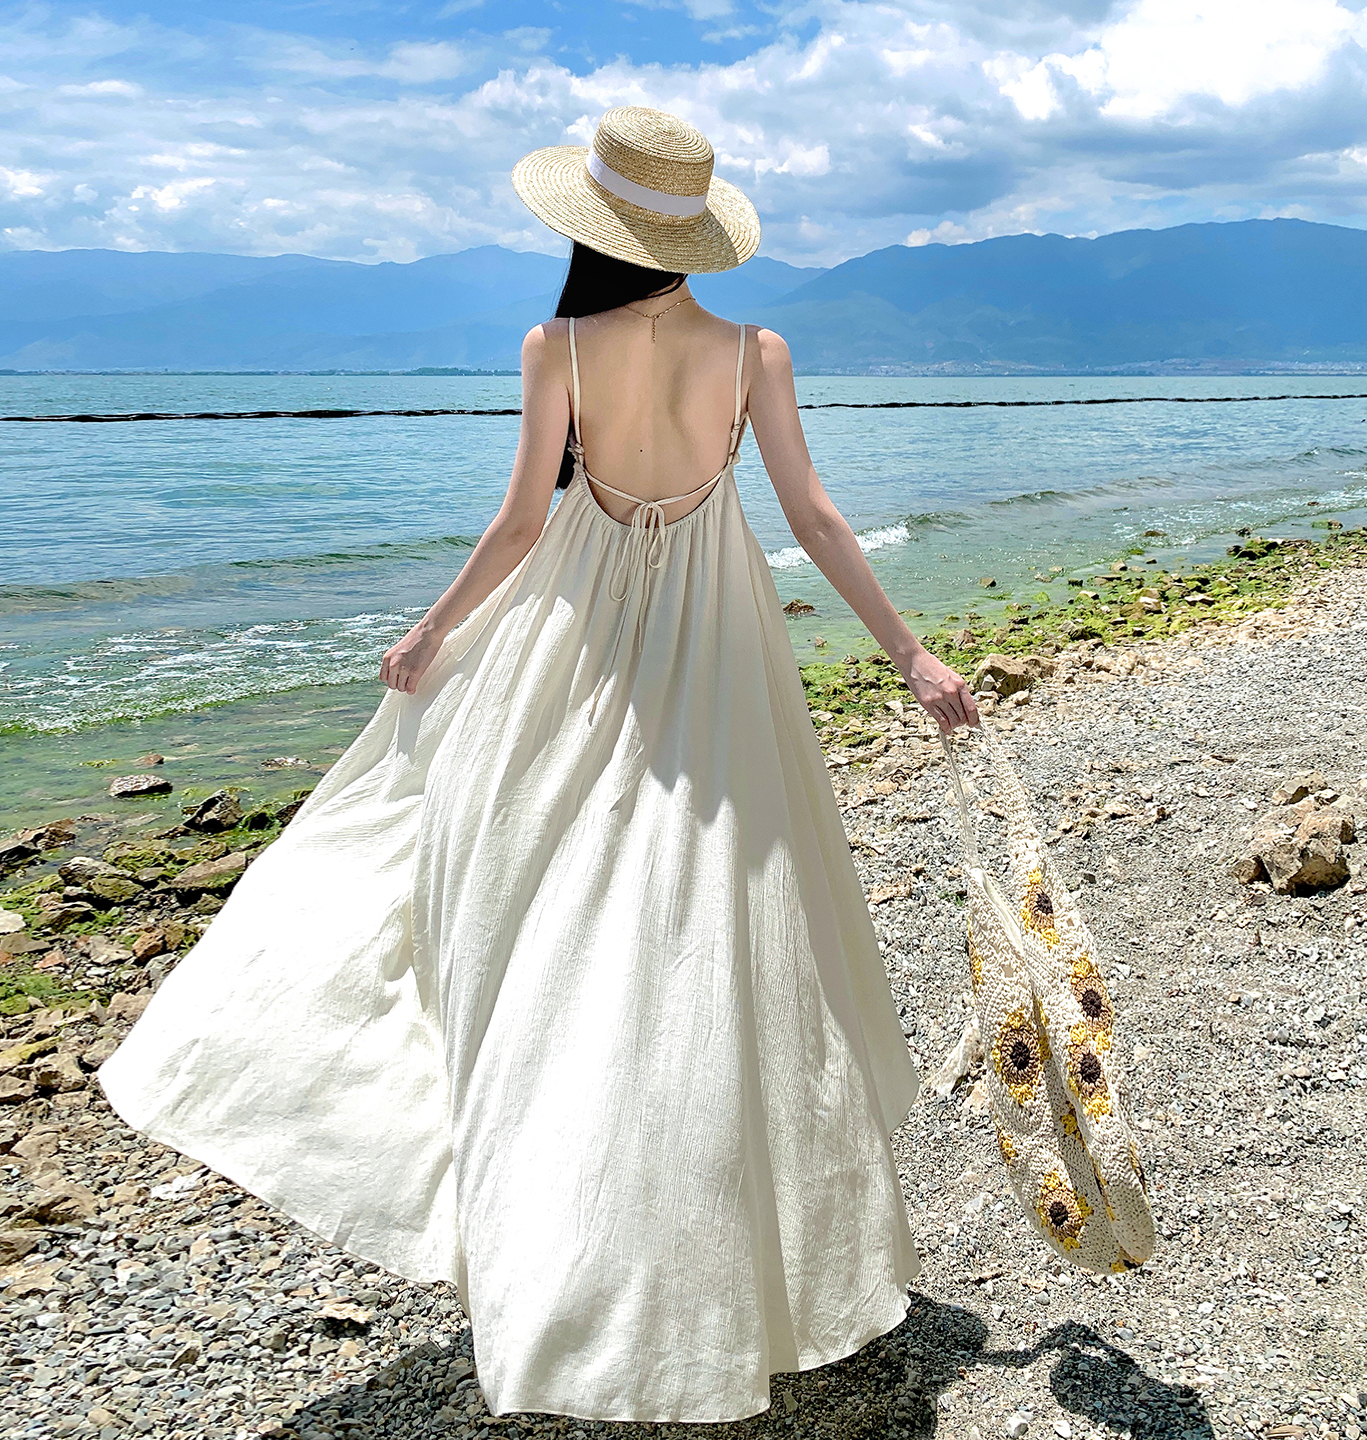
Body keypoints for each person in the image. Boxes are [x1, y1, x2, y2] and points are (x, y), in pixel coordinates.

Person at [100, 105, 978, 1424]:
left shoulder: (556, 341)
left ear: (591, 227)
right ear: (693, 229)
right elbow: (812, 513)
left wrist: (433, 629)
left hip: (578, 627)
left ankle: (570, 1235)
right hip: (715, 633)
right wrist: (911, 656)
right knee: (718, 915)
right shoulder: (755, 350)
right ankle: (725, 1265)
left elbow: (524, 522)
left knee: (520, 886)